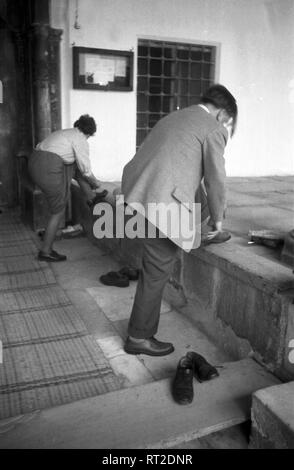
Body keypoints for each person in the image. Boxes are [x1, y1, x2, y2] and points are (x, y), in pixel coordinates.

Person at [121, 84, 238, 356]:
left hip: (135, 192)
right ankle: (139, 337)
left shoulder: (174, 116)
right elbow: (216, 179)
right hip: (160, 202)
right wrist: (219, 222)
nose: (226, 125)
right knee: (156, 271)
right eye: (228, 120)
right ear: (222, 112)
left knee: (202, 198)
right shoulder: (213, 128)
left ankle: (197, 231)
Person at [28, 114, 103, 262]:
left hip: (35, 162)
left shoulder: (66, 133)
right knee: (58, 211)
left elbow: (77, 168)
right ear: (89, 133)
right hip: (47, 167)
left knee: (73, 165)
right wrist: (97, 184)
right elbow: (86, 170)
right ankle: (46, 251)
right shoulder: (80, 139)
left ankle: (91, 198)